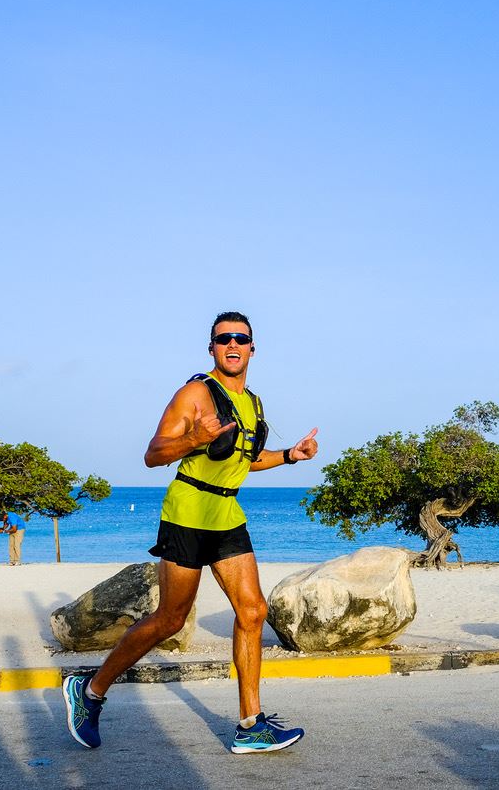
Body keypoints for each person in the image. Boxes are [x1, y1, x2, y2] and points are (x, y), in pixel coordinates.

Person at [63, 311, 318, 754]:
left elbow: (246, 462)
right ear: (212, 348)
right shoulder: (195, 393)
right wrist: (194, 439)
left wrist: (290, 455)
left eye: (241, 338)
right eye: (223, 339)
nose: (232, 345)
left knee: (253, 611)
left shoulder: (253, 404)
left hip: (226, 514)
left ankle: (250, 725)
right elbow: (153, 453)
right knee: (170, 619)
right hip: (187, 513)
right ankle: (89, 691)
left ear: (253, 348)